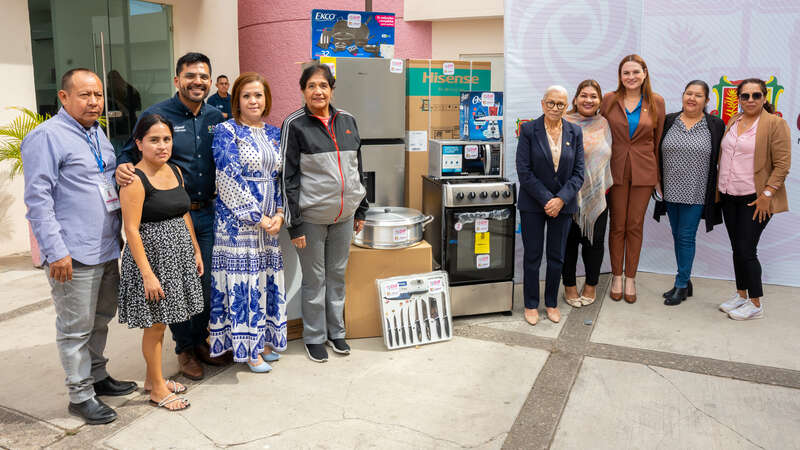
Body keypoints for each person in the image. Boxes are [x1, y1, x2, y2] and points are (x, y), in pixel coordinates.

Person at [21, 68, 136, 425]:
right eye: (85, 95)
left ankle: (98, 376)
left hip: (104, 247)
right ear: (64, 97)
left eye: (99, 95)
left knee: (101, 319)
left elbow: (103, 179)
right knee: (74, 328)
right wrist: (55, 251)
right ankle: (80, 394)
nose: (94, 102)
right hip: (71, 253)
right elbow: (38, 200)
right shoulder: (46, 137)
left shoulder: (97, 133)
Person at [116, 52, 226, 380]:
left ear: (210, 81)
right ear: (177, 80)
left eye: (203, 76)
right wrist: (121, 171)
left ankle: (201, 339)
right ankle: (185, 349)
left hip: (207, 215)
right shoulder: (156, 115)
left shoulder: (215, 117)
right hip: (171, 219)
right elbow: (128, 155)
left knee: (203, 285)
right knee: (175, 288)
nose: (198, 81)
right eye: (190, 76)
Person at [281, 62, 368, 362]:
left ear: (332, 89)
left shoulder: (348, 121)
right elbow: (287, 178)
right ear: (303, 90)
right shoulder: (294, 124)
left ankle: (337, 333)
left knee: (338, 275)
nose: (318, 91)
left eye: (323, 86)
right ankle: (314, 336)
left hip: (345, 216)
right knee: (314, 279)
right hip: (312, 219)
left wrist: (361, 209)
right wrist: (295, 224)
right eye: (311, 86)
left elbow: (358, 168)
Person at [118, 114, 203, 411]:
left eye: (166, 139)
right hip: (151, 261)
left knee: (162, 324)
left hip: (177, 256)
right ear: (139, 143)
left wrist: (194, 249)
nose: (162, 145)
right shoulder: (134, 180)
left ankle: (153, 380)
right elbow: (131, 229)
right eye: (154, 140)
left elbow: (183, 212)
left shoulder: (176, 171)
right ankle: (157, 390)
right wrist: (147, 275)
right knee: (155, 327)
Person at [209, 72, 287, 372]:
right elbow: (228, 178)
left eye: (259, 95)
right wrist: (259, 217)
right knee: (245, 283)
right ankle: (249, 350)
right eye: (247, 96)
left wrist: (279, 214)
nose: (254, 100)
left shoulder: (274, 132)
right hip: (238, 225)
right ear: (237, 100)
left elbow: (280, 178)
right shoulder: (226, 131)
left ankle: (265, 341)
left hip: (270, 224)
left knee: (265, 281)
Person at [716, 78, 791, 320]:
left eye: (755, 95)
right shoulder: (733, 120)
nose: (750, 100)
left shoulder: (775, 124)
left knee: (747, 249)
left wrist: (767, 194)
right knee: (737, 248)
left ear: (765, 97)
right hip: (729, 196)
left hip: (755, 199)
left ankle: (756, 304)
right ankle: (741, 295)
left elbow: (782, 164)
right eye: (745, 96)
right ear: (738, 98)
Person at [516, 85, 585, 325]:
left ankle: (552, 303)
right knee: (533, 256)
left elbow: (578, 174)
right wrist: (548, 200)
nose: (555, 108)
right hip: (533, 204)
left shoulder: (575, 132)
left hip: (563, 205)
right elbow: (524, 171)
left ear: (567, 107)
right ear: (543, 103)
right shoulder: (528, 130)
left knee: (556, 257)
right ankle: (531, 304)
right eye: (551, 103)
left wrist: (560, 199)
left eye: (561, 104)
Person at [653, 80, 725, 306]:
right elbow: (656, 151)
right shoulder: (669, 121)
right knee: (677, 235)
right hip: (670, 191)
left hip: (697, 191)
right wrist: (657, 181)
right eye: (688, 93)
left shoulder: (715, 124)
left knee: (685, 237)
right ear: (683, 95)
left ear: (706, 101)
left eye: (698, 95)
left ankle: (681, 285)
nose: (692, 98)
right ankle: (685, 279)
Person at [600, 54, 665, 303]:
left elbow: (657, 142)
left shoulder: (656, 101)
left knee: (635, 225)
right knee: (617, 225)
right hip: (614, 170)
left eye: (635, 72)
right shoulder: (609, 99)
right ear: (620, 76)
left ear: (645, 73)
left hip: (644, 171)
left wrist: (658, 177)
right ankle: (617, 275)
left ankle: (631, 278)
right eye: (626, 73)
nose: (631, 77)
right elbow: (597, 130)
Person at [561, 80, 612, 308]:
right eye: (584, 95)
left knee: (595, 242)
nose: (588, 100)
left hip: (598, 194)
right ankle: (569, 286)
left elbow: (606, 156)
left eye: (593, 96)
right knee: (568, 242)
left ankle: (591, 285)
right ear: (575, 99)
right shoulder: (563, 122)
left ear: (599, 101)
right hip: (567, 195)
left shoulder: (604, 124)